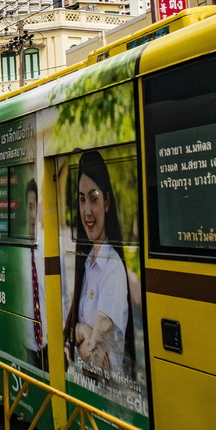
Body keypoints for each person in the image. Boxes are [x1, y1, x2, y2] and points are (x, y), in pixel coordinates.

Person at [64, 150, 135, 379]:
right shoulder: (87, 264)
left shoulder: (112, 270)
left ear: (107, 202)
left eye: (93, 198)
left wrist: (79, 331)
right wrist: (81, 332)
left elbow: (99, 362)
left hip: (109, 399)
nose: (87, 211)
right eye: (82, 199)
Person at [22, 178, 48, 371]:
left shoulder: (47, 251)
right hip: (26, 346)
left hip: (49, 345)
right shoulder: (18, 255)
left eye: (35, 208)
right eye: (28, 207)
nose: (32, 215)